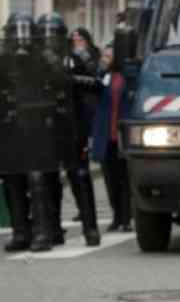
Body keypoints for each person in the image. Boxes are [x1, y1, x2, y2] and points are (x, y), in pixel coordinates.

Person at [1, 13, 64, 253]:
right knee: (12, 179)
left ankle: (43, 231)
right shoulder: (4, 59)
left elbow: (59, 83)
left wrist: (50, 61)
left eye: (24, 32)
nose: (20, 38)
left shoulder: (43, 58)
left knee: (38, 178)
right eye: (16, 33)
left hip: (38, 127)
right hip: (11, 127)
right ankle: (21, 231)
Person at [56, 25, 103, 246]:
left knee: (80, 176)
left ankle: (90, 228)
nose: (75, 40)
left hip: (77, 124)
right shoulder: (52, 59)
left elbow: (97, 82)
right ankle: (50, 228)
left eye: (79, 37)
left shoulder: (82, 58)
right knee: (46, 179)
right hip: (51, 126)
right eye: (72, 37)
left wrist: (72, 78)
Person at [91, 43, 132, 233]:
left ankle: (126, 218)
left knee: (125, 178)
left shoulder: (126, 77)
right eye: (104, 56)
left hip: (122, 136)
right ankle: (116, 216)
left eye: (109, 56)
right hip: (106, 136)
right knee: (110, 179)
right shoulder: (102, 76)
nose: (105, 59)